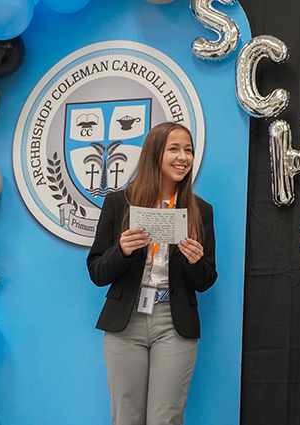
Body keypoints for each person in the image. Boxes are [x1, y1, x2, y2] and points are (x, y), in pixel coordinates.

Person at [87, 122, 218, 425]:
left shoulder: (200, 210)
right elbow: (96, 271)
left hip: (174, 323)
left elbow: (207, 279)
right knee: (126, 417)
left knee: (166, 418)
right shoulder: (119, 203)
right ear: (154, 153)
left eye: (188, 150)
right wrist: (121, 250)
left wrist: (195, 262)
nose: (183, 157)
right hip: (125, 323)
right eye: (174, 149)